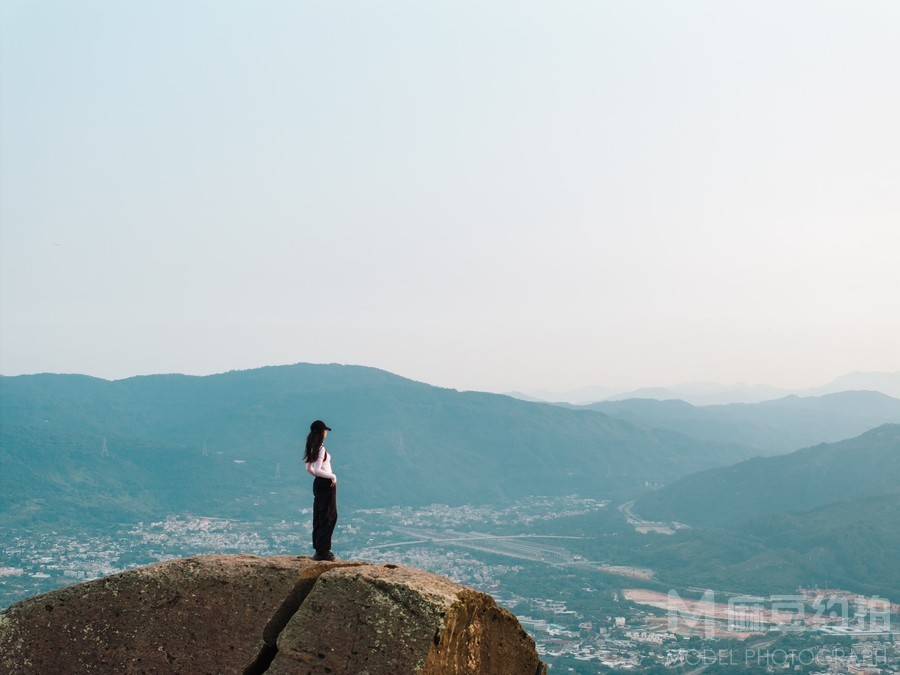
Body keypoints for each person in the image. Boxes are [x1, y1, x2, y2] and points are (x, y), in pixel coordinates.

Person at [304, 419, 338, 561]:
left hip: (318, 484)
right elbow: (317, 469)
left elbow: (309, 469)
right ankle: (323, 551)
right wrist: (332, 476)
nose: (326, 433)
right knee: (329, 516)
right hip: (326, 484)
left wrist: (318, 477)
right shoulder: (321, 448)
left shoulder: (312, 446)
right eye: (325, 430)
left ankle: (319, 548)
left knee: (319, 515)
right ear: (321, 432)